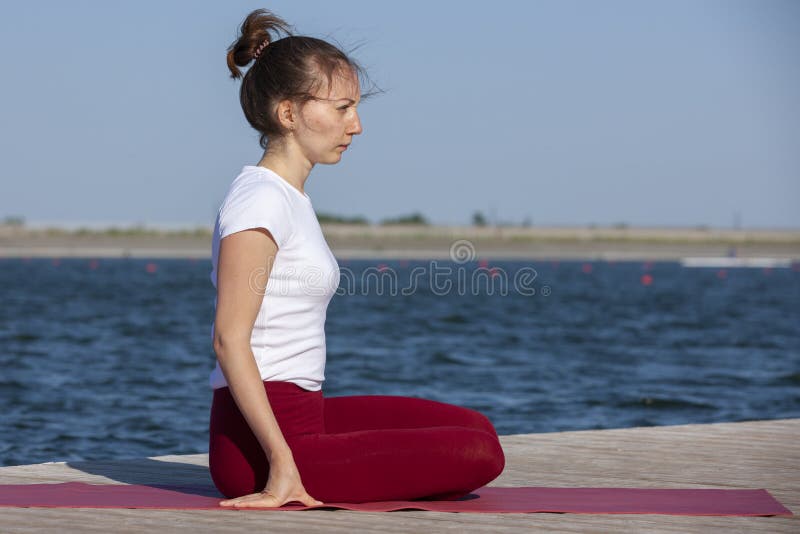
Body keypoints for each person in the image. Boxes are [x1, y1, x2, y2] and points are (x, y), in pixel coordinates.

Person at [208, 8, 505, 508]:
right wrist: (283, 466)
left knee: (474, 428)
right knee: (478, 453)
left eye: (356, 108)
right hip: (261, 450)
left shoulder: (288, 197)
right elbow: (228, 339)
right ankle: (285, 470)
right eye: (343, 108)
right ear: (289, 113)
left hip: (305, 416)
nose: (357, 125)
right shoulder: (258, 201)